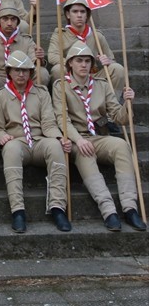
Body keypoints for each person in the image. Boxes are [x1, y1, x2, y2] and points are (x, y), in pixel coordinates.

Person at [52, 43, 145, 232]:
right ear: (70, 63)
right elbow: (62, 119)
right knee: (85, 154)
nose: (83, 65)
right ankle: (108, 210)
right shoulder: (61, 86)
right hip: (78, 138)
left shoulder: (101, 85)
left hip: (100, 136)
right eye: (79, 60)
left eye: (87, 61)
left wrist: (127, 104)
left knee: (121, 146)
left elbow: (119, 118)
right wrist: (78, 140)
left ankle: (130, 207)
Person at [0, 50, 71, 234]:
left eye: (25, 70)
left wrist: (59, 137)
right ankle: (18, 210)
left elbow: (49, 123)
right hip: (17, 141)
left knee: (55, 146)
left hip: (39, 140)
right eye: (17, 70)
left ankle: (58, 207)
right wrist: (1, 137)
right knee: (10, 149)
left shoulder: (41, 93)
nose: (21, 74)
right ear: (9, 72)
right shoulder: (1, 96)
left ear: (30, 72)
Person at [46, 0, 125, 93]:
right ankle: (64, 104)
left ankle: (113, 104)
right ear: (68, 14)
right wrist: (75, 64)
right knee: (58, 70)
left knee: (117, 69)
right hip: (72, 75)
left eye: (82, 12)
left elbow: (111, 59)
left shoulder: (97, 35)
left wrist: (107, 61)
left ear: (87, 15)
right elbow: (52, 56)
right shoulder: (60, 35)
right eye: (75, 11)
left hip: (93, 74)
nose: (79, 15)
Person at [0, 8, 46, 112]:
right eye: (5, 19)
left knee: (42, 72)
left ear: (18, 22)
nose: (9, 23)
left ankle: (32, 109)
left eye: (13, 19)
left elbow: (34, 61)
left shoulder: (26, 40)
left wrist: (40, 58)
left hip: (20, 77)